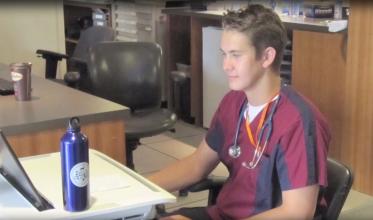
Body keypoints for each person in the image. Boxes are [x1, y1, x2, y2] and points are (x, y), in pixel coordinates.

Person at [149, 4, 330, 220]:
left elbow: (297, 212)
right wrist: (142, 188)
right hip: (224, 214)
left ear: (266, 57)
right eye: (224, 54)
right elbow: (197, 164)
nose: (226, 65)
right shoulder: (233, 102)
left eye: (235, 55)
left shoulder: (298, 121)